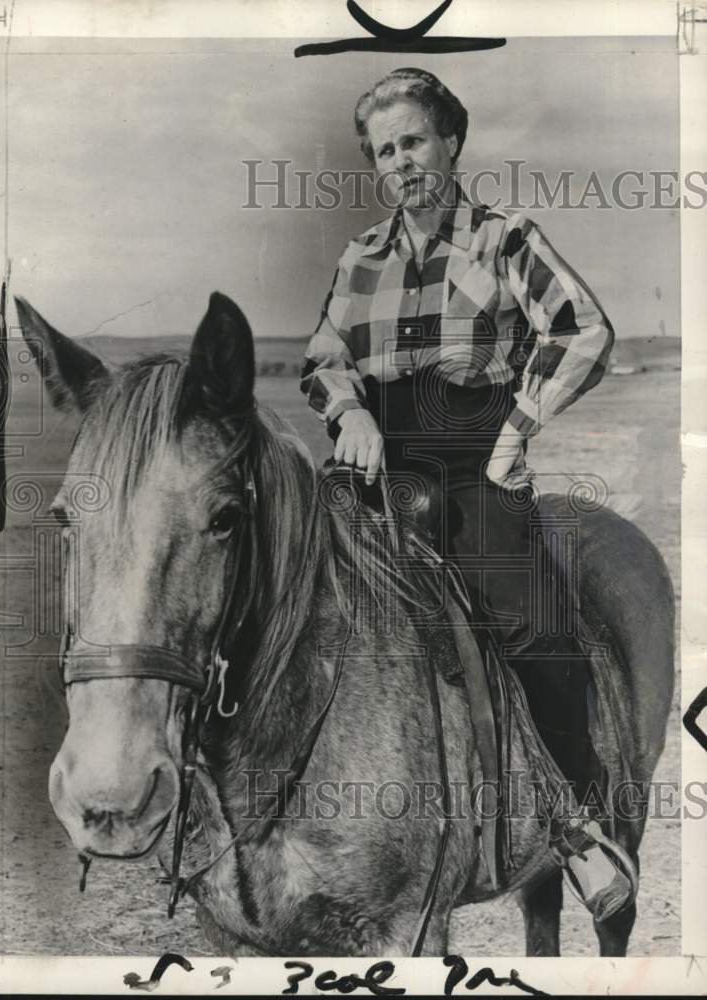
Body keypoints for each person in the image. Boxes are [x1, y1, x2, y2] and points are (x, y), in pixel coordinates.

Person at [301, 67, 634, 921]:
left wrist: (518, 429)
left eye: (413, 141)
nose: (401, 162)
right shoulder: (359, 256)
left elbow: (584, 329)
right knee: (283, 592)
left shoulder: (503, 237)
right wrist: (349, 415)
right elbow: (323, 356)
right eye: (385, 151)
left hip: (474, 465)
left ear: (450, 141)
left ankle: (584, 827)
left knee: (537, 623)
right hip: (376, 469)